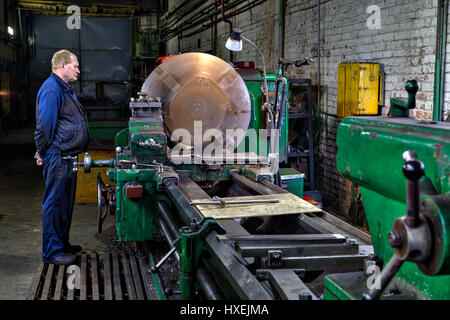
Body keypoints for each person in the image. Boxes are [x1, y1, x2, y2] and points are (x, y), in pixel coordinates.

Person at [34, 50, 89, 265]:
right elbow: (44, 126)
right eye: (74, 66)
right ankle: (52, 252)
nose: (77, 69)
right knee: (55, 203)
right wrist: (42, 151)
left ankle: (62, 244)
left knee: (65, 204)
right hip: (58, 156)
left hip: (68, 155)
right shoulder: (51, 89)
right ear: (62, 65)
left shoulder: (64, 88)